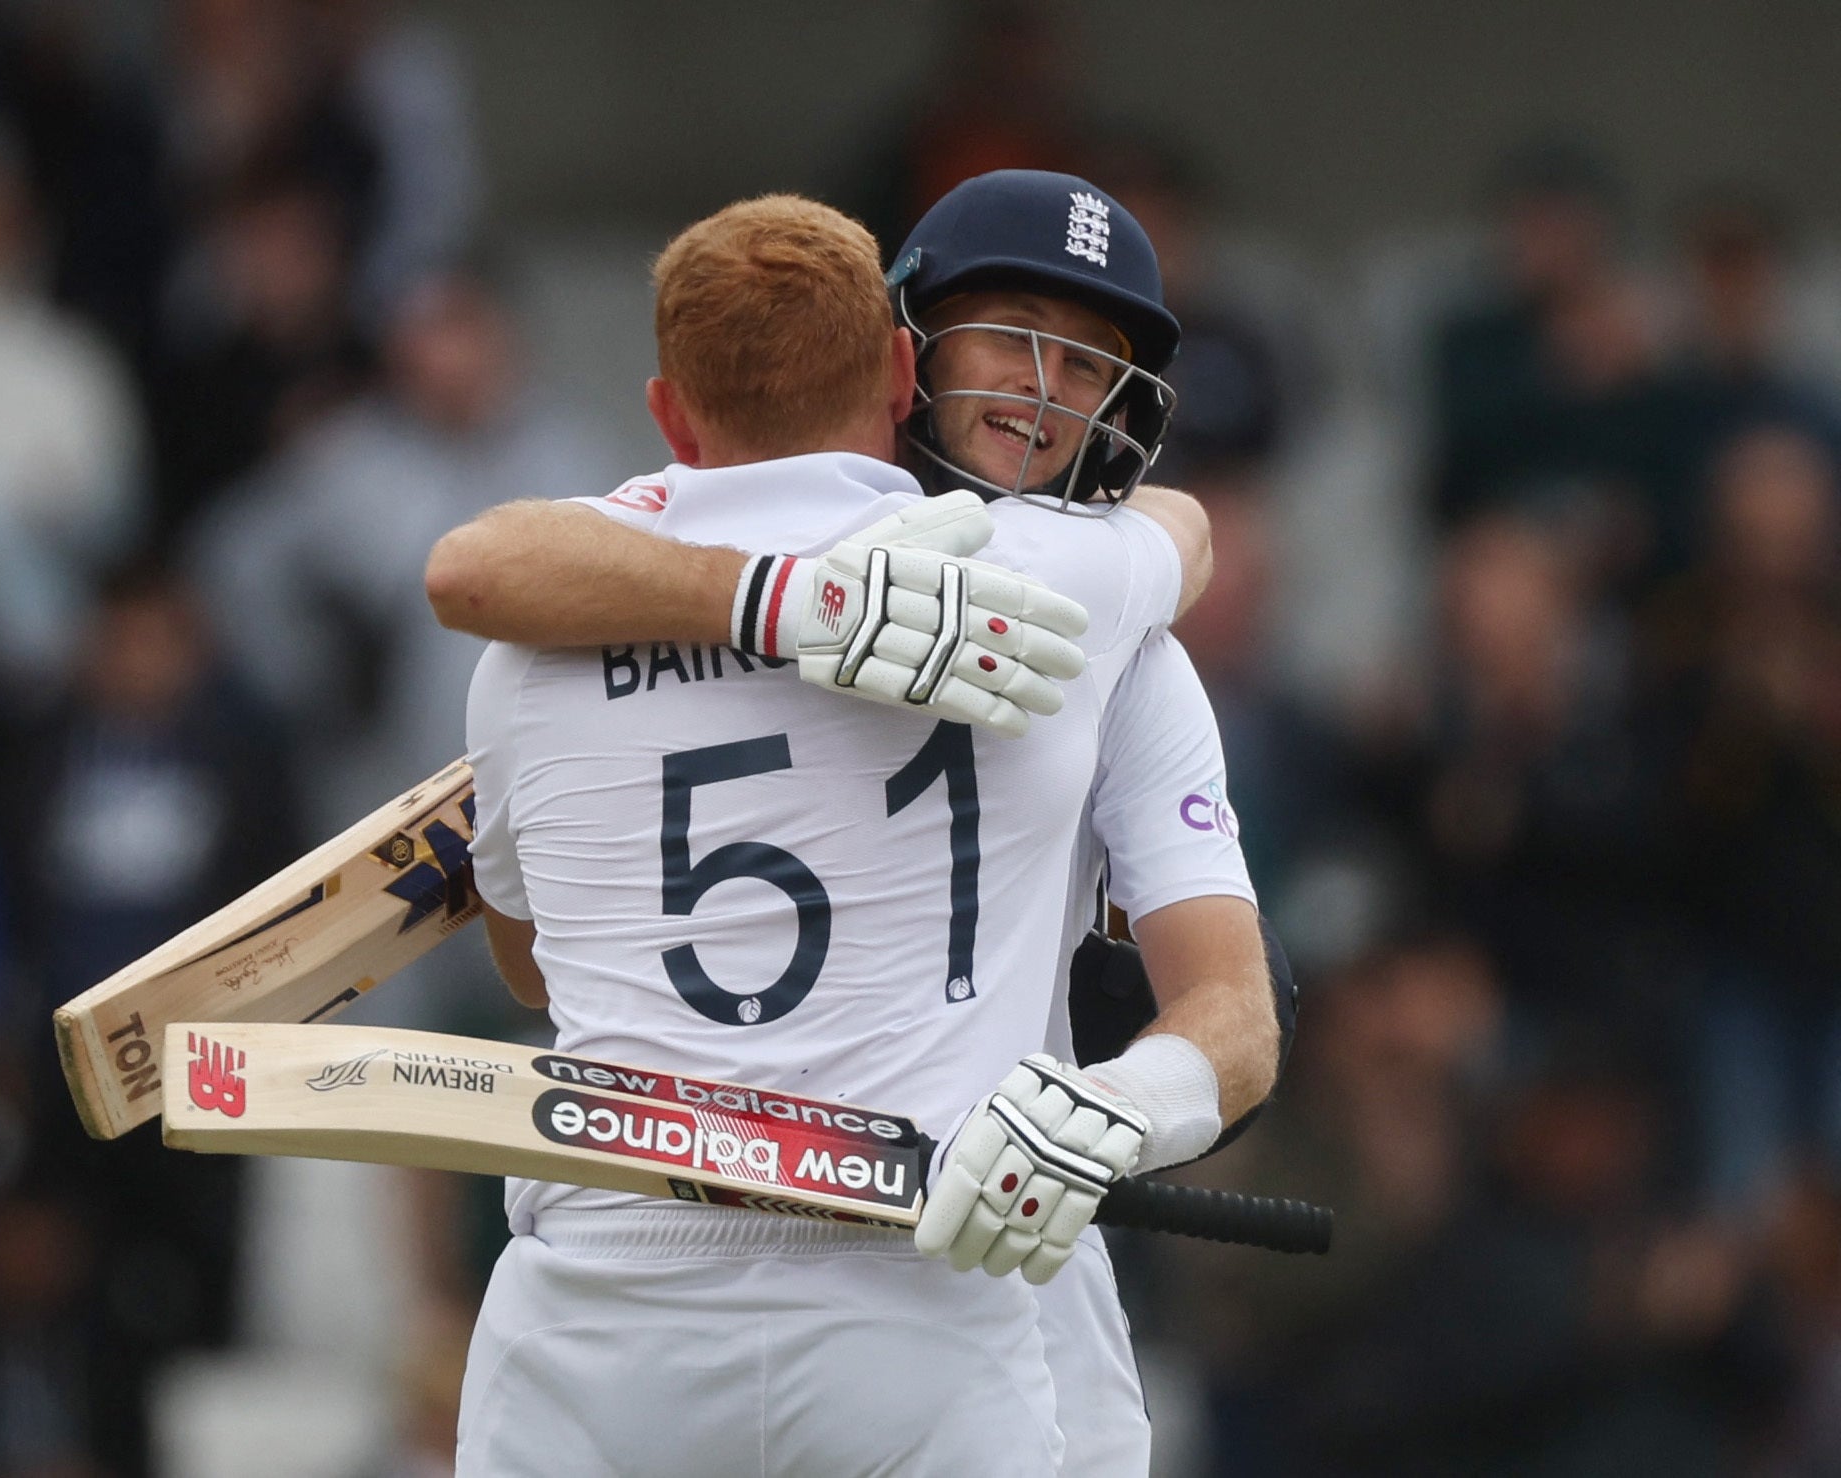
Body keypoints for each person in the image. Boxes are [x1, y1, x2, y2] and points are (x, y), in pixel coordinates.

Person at [439, 180, 1278, 1473]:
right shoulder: (1078, 593)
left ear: (669, 408)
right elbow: (1183, 532)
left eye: (1093, 359)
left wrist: (1111, 1102)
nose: (1051, 390)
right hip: (923, 1293)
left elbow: (475, 579)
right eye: (1012, 333)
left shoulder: (545, 629)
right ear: (902, 358)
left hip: (619, 1302)